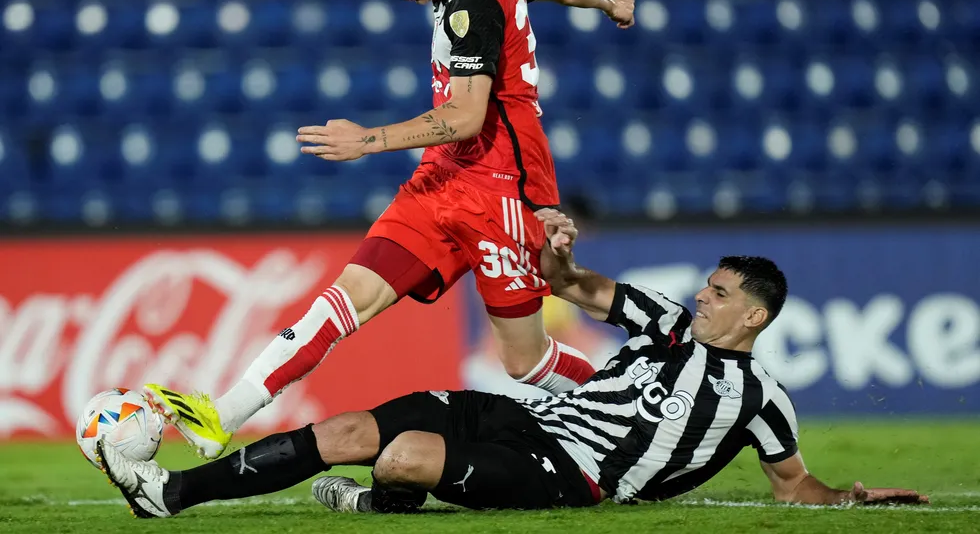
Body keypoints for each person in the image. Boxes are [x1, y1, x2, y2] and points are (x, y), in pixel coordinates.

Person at [141, 0, 636, 460]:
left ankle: (627, 411)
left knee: (525, 362)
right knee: (346, 297)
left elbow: (466, 116)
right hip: (444, 176)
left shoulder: (469, 5)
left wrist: (366, 141)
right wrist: (607, 1)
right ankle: (220, 414)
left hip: (504, 189)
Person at [97, 209, 928, 517]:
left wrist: (853, 499)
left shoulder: (760, 396)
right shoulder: (668, 323)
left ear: (756, 314)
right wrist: (558, 254)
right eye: (706, 287)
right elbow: (586, 289)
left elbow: (793, 486)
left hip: (572, 473)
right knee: (351, 426)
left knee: (404, 457)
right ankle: (172, 494)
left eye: (718, 294)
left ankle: (384, 501)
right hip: (527, 418)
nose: (702, 298)